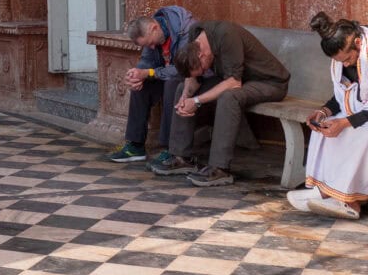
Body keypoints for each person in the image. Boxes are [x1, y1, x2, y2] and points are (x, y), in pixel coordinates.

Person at [151, 21, 289, 186]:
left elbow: (234, 83)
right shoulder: (196, 33)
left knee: (229, 97)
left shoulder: (226, 35)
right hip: (241, 81)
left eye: (202, 69)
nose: (203, 72)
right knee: (182, 88)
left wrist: (196, 101)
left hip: (269, 83)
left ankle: (220, 168)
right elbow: (193, 78)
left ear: (202, 55)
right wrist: (185, 98)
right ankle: (181, 157)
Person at [286, 12, 368, 219]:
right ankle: (325, 191)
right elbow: (342, 94)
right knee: (325, 127)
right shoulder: (342, 60)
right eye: (341, 62)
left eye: (348, 59)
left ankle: (349, 201)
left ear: (358, 43)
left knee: (358, 134)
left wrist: (345, 122)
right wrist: (323, 112)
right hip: (361, 112)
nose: (346, 65)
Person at [108, 6, 197, 166]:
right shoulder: (152, 36)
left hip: (191, 78)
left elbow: (183, 69)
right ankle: (135, 145)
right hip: (165, 73)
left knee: (172, 84)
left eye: (150, 43)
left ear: (154, 28)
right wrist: (137, 74)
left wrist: (149, 73)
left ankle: (170, 148)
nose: (151, 47)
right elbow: (147, 62)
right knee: (140, 86)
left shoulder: (186, 30)